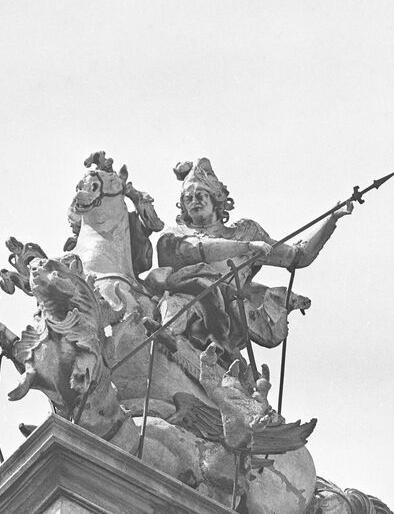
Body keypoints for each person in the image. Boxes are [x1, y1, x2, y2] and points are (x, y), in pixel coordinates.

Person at [147, 158, 350, 370]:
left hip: (228, 317)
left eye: (200, 195)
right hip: (184, 302)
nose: (194, 201)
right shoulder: (176, 235)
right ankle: (167, 333)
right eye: (187, 198)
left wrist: (331, 220)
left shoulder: (245, 232)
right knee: (181, 295)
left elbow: (297, 256)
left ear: (216, 199)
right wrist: (248, 247)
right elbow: (198, 249)